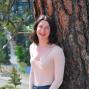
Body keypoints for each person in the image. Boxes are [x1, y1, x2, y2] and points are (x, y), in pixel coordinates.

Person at [29, 15, 65, 89]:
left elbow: (58, 80)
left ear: (51, 31)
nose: (43, 31)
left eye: (47, 28)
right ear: (36, 28)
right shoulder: (32, 47)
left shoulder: (57, 51)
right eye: (40, 26)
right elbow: (32, 72)